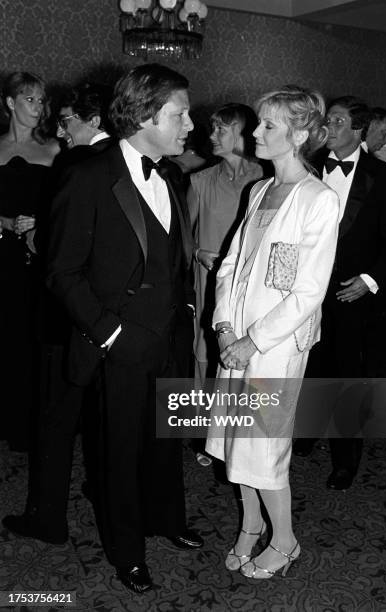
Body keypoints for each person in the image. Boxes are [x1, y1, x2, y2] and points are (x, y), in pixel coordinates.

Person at [5, 63, 203, 594]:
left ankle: (167, 519)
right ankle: (126, 550)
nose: (190, 123)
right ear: (143, 115)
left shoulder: (174, 172)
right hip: (116, 342)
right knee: (117, 450)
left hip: (169, 336)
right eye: (180, 113)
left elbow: (171, 260)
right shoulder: (87, 172)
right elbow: (61, 271)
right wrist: (110, 334)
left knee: (167, 437)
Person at [205, 86, 339, 579]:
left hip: (275, 347)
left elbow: (308, 293)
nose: (254, 132)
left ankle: (285, 541)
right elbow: (230, 266)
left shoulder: (318, 200)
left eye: (268, 126)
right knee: (237, 439)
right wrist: (223, 326)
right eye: (258, 123)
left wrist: (251, 341)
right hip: (234, 339)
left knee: (265, 444)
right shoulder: (258, 189)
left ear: (300, 134)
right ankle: (249, 526)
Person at [2, 82, 116, 550]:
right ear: (9, 102)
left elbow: (67, 229)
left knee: (58, 404)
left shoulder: (65, 157)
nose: (50, 116)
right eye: (33, 100)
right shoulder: (116, 160)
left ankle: (47, 513)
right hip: (81, 296)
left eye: (60, 113)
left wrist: (39, 234)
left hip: (56, 289)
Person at [295, 96, 386, 489]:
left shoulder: (385, 177)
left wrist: (369, 280)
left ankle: (346, 459)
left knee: (346, 374)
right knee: (308, 364)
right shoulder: (306, 168)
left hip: (352, 294)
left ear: (358, 131)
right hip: (307, 291)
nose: (329, 127)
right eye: (328, 120)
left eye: (338, 121)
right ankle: (305, 434)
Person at [188, 103, 263, 466]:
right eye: (212, 128)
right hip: (210, 288)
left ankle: (242, 433)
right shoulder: (199, 181)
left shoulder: (266, 179)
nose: (212, 135)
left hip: (252, 291)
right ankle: (209, 435)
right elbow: (180, 239)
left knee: (248, 361)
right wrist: (199, 252)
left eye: (221, 129)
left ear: (244, 135)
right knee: (207, 357)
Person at [0, 71, 59, 451]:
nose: (38, 108)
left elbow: (66, 204)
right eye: (30, 100)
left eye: (41, 101)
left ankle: (31, 423)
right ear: (10, 103)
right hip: (1, 252)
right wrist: (4, 222)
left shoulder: (54, 149)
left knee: (34, 337)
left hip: (40, 254)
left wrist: (40, 221)